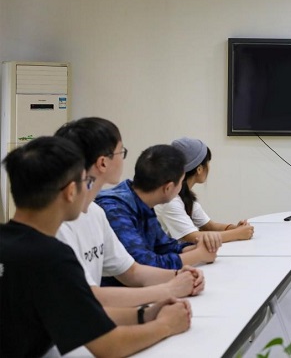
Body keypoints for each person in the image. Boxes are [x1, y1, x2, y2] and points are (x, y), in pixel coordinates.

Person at [0, 136, 191, 357]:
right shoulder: (51, 257)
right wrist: (166, 325)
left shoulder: (16, 244)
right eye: (87, 182)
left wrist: (144, 315)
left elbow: (77, 315)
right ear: (71, 191)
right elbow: (109, 346)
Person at [55, 117, 205, 307]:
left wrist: (179, 275)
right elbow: (88, 297)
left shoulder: (95, 212)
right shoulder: (60, 222)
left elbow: (132, 271)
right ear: (103, 163)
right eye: (121, 151)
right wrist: (169, 289)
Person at [96, 144, 218, 279]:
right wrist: (198, 255)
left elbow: (163, 245)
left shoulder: (142, 200)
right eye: (181, 182)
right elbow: (145, 266)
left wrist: (198, 247)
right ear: (168, 188)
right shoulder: (115, 210)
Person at [155, 137, 253, 252]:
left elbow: (209, 226)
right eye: (208, 163)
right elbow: (194, 237)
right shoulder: (170, 201)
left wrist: (235, 228)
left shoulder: (185, 196)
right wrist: (237, 234)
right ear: (199, 169)